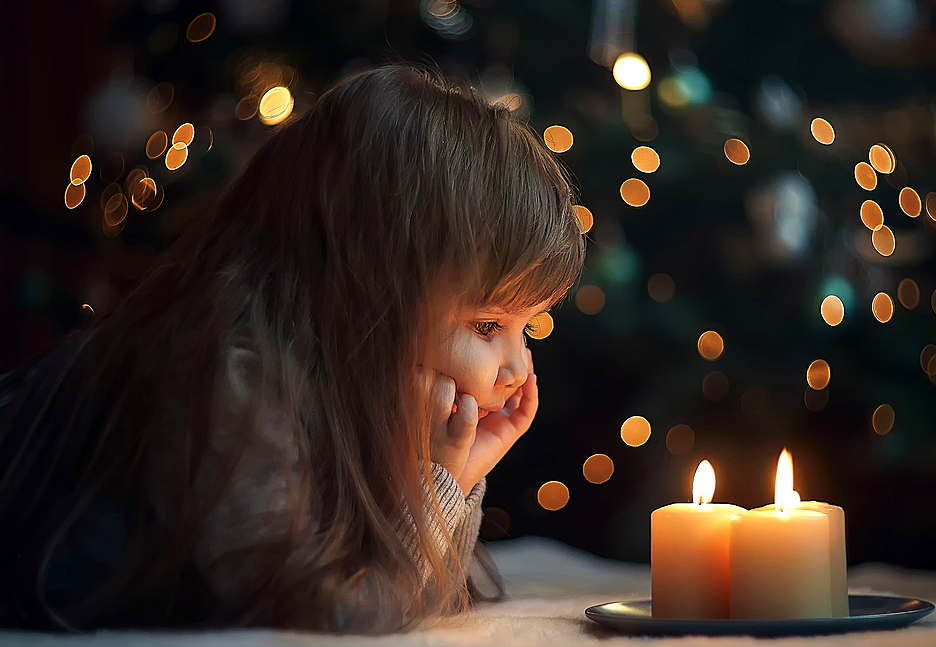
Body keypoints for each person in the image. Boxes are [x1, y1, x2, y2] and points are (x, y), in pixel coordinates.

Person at [0, 64, 585, 632]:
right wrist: (437, 488)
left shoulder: (358, 386)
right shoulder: (231, 378)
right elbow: (324, 615)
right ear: (371, 284)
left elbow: (422, 595)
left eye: (527, 328)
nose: (515, 370)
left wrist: (454, 476)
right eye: (487, 327)